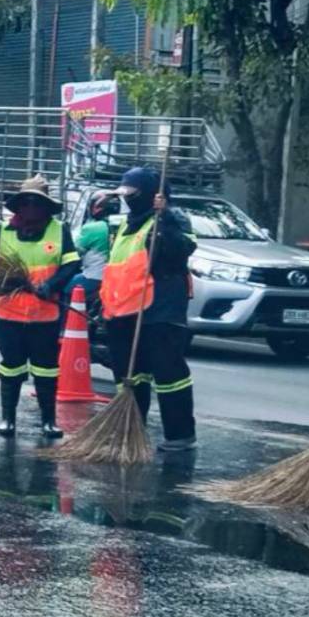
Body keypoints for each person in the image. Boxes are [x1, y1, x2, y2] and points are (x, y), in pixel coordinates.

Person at [100, 165, 198, 452]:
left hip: (159, 310)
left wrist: (163, 218)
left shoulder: (172, 220)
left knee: (168, 372)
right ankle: (132, 428)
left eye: (132, 193)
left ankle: (179, 434)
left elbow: (180, 252)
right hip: (123, 311)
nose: (127, 199)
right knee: (130, 375)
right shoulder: (124, 226)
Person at [0, 175, 79, 438]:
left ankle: (48, 421)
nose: (31, 207)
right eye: (26, 202)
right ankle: (8, 419)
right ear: (19, 206)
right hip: (8, 314)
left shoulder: (59, 230)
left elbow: (72, 263)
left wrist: (52, 284)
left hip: (45, 315)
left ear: (46, 206)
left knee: (46, 368)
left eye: (37, 203)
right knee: (11, 366)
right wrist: (7, 280)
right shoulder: (3, 231)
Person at [73, 189, 115, 315]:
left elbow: (75, 253)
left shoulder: (92, 228)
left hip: (94, 276)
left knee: (62, 288)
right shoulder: (125, 225)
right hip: (116, 278)